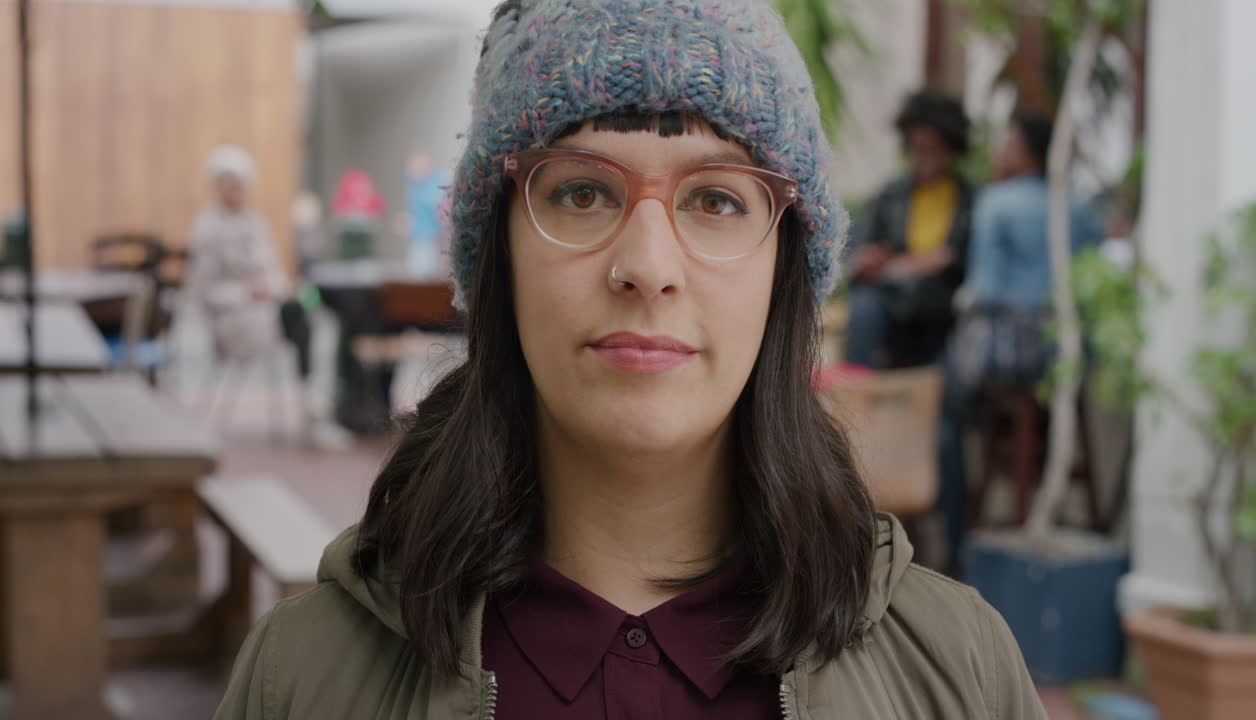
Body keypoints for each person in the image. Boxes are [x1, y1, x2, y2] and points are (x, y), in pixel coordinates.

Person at [213, 2, 1044, 718]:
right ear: (496, 252)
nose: (648, 264)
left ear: (784, 268)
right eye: (581, 191)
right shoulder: (303, 679)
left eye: (716, 199)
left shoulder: (960, 673)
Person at [938, 113, 1104, 573]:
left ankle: (955, 537)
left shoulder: (997, 202)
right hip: (1067, 361)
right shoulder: (1081, 208)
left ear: (1026, 151)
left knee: (948, 403)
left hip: (1009, 357)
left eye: (1007, 143)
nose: (998, 153)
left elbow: (985, 290)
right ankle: (1030, 458)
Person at [188, 145, 347, 449]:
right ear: (218, 187)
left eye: (240, 185)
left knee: (300, 306)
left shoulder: (257, 224)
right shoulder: (206, 228)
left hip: (270, 312)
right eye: (230, 185)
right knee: (296, 314)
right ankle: (312, 402)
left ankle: (313, 401)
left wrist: (274, 288)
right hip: (234, 321)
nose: (236, 192)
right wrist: (248, 292)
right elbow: (204, 291)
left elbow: (272, 272)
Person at [843, 91, 975, 369]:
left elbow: (956, 258)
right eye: (917, 148)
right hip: (890, 303)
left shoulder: (969, 200)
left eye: (932, 149)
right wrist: (871, 262)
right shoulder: (889, 196)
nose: (923, 157)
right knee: (864, 307)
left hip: (940, 312)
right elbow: (861, 256)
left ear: (951, 149)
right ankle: (855, 390)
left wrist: (904, 265)